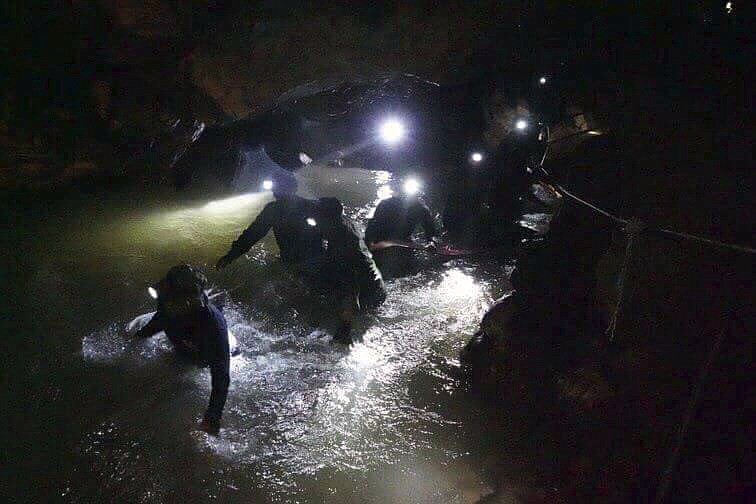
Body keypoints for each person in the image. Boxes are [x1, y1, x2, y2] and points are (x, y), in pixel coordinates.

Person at [135, 265, 230, 435]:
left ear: (187, 301)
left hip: (202, 355)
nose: (166, 302)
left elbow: (221, 377)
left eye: (172, 299)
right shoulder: (167, 301)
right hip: (182, 344)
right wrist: (139, 337)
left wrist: (212, 418)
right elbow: (158, 321)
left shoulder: (213, 326)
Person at [216, 173, 324, 269]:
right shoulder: (310, 205)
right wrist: (231, 256)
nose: (274, 191)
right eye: (275, 187)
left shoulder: (274, 210)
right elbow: (252, 234)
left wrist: (230, 256)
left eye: (277, 187)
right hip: (307, 260)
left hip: (303, 261)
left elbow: (252, 234)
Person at [316, 197, 387, 342]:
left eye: (317, 218)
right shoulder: (342, 222)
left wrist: (343, 330)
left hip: (370, 294)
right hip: (374, 283)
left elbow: (352, 290)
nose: (315, 222)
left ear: (327, 220)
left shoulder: (345, 245)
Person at [364, 181, 440, 277]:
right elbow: (372, 227)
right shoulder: (385, 204)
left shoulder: (422, 209)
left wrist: (431, 243)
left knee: (410, 272)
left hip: (404, 241)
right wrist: (368, 246)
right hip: (382, 240)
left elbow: (432, 232)